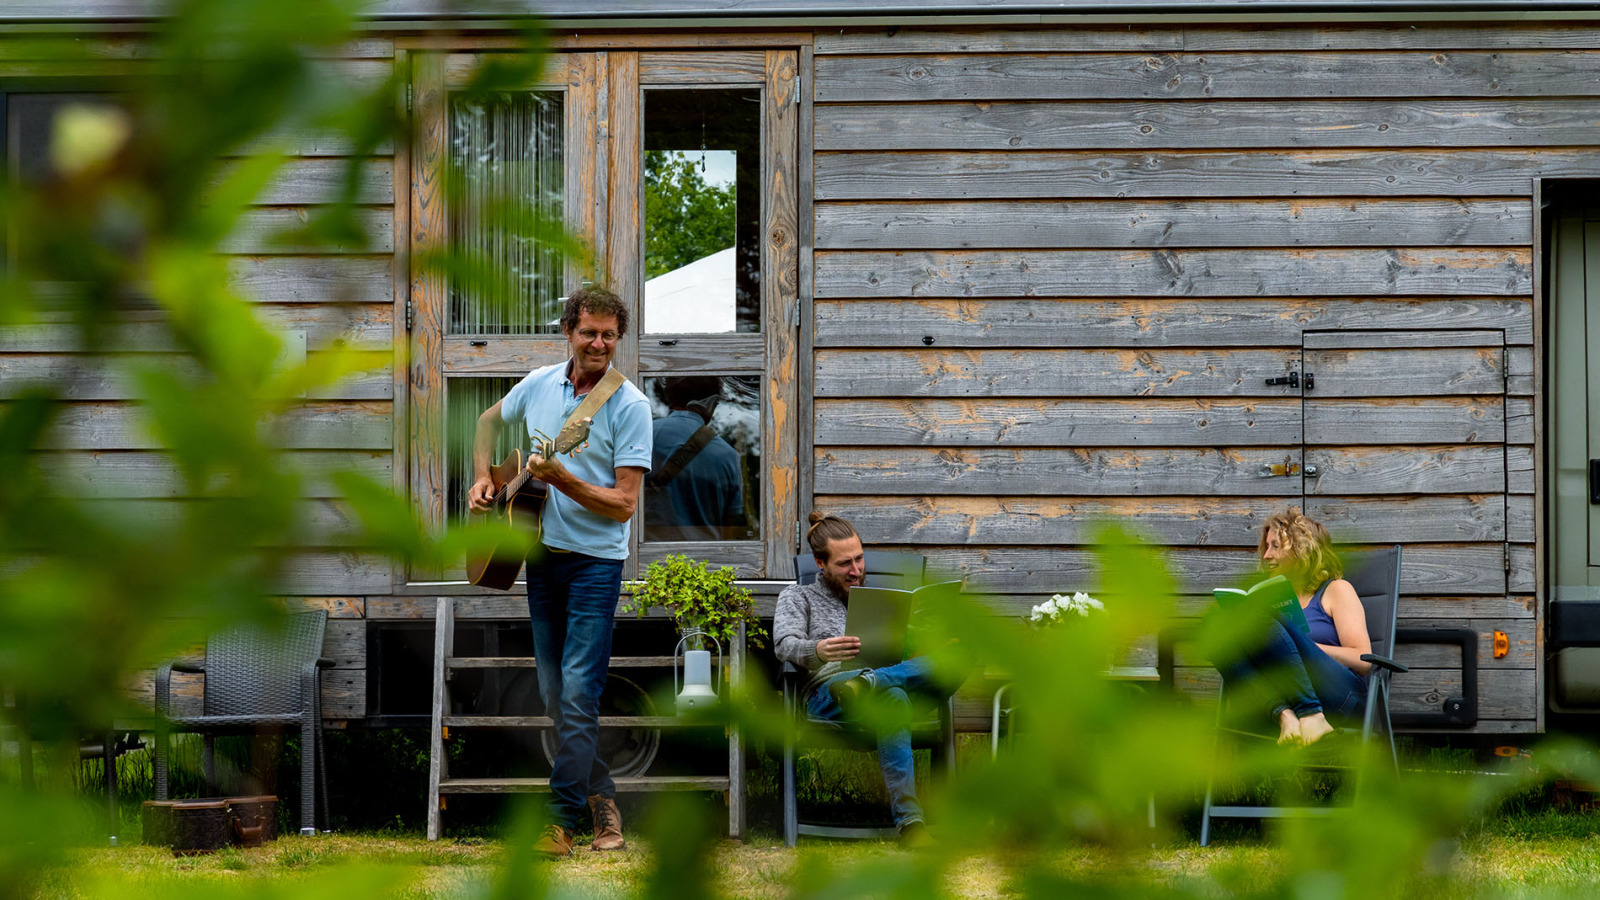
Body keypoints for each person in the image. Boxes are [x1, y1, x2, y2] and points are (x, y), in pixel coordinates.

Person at [468, 286, 652, 858]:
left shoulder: (629, 407)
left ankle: (559, 822)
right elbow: (483, 423)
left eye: (609, 335)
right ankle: (605, 803)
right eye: (588, 332)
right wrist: (486, 481)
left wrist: (564, 479)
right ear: (569, 331)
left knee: (579, 690)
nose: (598, 344)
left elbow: (624, 504)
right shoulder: (540, 384)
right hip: (541, 557)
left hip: (597, 565)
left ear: (618, 339)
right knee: (555, 692)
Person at [772, 511, 948, 845]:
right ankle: (912, 824)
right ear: (820, 563)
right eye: (844, 564)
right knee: (895, 696)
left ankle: (873, 680)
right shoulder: (798, 597)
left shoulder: (883, 603)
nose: (856, 570)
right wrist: (819, 649)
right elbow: (785, 645)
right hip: (831, 695)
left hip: (889, 687)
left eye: (860, 559)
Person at [1210, 507, 1372, 746]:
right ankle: (1285, 717)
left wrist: (1303, 645)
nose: (1266, 556)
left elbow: (1363, 660)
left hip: (1339, 695)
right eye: (1267, 546)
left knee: (1267, 618)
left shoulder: (1336, 590)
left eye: (1276, 546)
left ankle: (1311, 713)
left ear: (1302, 550)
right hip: (1285, 696)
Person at [644, 376, 747, 541]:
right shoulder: (728, 455)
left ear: (670, 396)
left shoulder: (643, 435)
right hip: (706, 559)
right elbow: (729, 527)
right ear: (710, 404)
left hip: (648, 556)